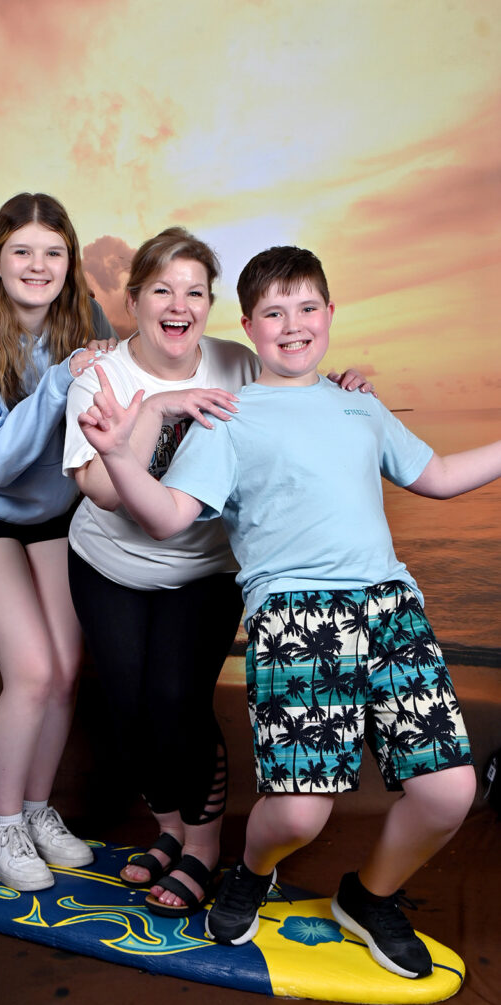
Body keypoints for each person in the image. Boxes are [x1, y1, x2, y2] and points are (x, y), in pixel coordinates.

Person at [78, 244, 497, 979]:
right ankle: (251, 869)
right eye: (273, 313)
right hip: (296, 617)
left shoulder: (359, 404)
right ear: (249, 327)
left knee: (448, 791)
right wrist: (118, 454)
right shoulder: (227, 416)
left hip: (389, 607)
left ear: (330, 314)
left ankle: (369, 897)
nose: (293, 324)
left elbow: (434, 474)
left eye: (307, 308)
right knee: (301, 813)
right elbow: (167, 517)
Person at [63, 229, 370, 918]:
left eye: (194, 292)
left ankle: (201, 847)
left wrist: (345, 386)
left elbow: (298, 388)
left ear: (210, 304)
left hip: (204, 567)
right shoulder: (100, 377)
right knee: (127, 709)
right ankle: (169, 831)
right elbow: (105, 493)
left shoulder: (236, 362)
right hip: (108, 565)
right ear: (134, 300)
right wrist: (155, 407)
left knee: (177, 701)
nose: (179, 305)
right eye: (162, 290)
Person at [0, 192, 117, 891]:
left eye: (53, 252)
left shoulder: (85, 321)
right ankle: (2, 826)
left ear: (69, 263)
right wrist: (60, 383)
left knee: (66, 670)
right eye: (22, 251)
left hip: (49, 517)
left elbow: (150, 373)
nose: (37, 265)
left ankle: (37, 812)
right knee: (33, 671)